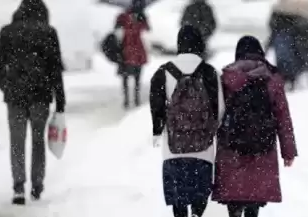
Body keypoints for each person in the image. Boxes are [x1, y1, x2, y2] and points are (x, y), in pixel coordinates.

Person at [212, 36, 298, 217]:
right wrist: (288, 152)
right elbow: (283, 119)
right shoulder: (272, 79)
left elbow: (216, 115)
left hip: (232, 152)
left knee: (234, 201)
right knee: (254, 200)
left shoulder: (227, 78)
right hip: (262, 151)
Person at [0, 0, 66, 205]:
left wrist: (6, 85)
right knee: (37, 140)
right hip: (40, 95)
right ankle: (36, 185)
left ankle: (18, 187)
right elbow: (55, 69)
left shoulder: (7, 32)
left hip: (15, 95)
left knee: (17, 141)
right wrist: (60, 101)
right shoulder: (48, 32)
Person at [150, 25, 224, 217]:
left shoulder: (163, 72)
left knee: (179, 199)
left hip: (173, 149)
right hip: (203, 149)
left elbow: (157, 108)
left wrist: (158, 131)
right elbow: (220, 110)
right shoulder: (210, 73)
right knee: (199, 197)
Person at [115, 0, 150, 108]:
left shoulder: (124, 16)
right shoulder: (136, 16)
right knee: (135, 76)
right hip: (134, 49)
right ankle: (133, 99)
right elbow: (147, 29)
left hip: (128, 48)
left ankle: (129, 99)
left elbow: (117, 30)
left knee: (129, 76)